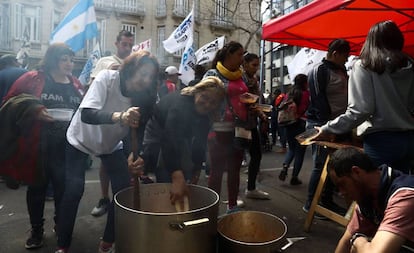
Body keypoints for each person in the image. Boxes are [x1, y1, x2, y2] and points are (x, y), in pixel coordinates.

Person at [55, 51, 159, 253]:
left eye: (150, 77)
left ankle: (107, 243)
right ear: (131, 68)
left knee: (122, 191)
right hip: (80, 138)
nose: (145, 80)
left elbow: (137, 131)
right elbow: (87, 114)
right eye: (142, 72)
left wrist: (134, 155)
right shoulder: (107, 78)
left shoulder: (144, 98)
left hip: (110, 144)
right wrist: (120, 116)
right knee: (74, 189)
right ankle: (62, 245)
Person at [2, 43, 84, 249]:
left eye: (71, 60)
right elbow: (11, 101)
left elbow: (84, 108)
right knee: (37, 189)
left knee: (62, 190)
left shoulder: (75, 83)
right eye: (64, 59)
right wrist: (34, 109)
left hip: (67, 147)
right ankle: (37, 229)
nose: (69, 63)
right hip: (38, 145)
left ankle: (60, 224)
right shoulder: (33, 78)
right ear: (53, 59)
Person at [316, 20, 414, 175]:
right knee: (399, 192)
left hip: (381, 141)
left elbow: (360, 110)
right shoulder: (409, 66)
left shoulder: (365, 66)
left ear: (371, 41)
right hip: (409, 139)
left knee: (375, 194)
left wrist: (327, 128)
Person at [139, 76, 225, 201]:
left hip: (182, 135)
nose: (207, 104)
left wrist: (196, 170)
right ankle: (164, 199)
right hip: (158, 130)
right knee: (166, 172)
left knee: (186, 169)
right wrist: (176, 176)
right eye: (205, 97)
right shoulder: (181, 107)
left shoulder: (207, 115)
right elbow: (169, 139)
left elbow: (200, 142)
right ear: (197, 91)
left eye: (213, 102)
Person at [327, 147, 414, 253]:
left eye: (342, 184)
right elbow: (345, 242)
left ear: (357, 172)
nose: (341, 192)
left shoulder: (405, 195)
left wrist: (358, 241)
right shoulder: (367, 197)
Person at [89, 30, 135, 218]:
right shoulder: (105, 62)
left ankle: (123, 200)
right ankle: (103, 197)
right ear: (116, 44)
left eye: (130, 45)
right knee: (106, 161)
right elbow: (92, 85)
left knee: (127, 160)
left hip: (128, 119)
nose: (127, 48)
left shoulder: (134, 63)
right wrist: (113, 71)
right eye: (124, 44)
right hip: (108, 119)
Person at [303, 38, 351, 216]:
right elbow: (318, 100)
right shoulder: (318, 70)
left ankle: (326, 200)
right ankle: (310, 204)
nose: (346, 61)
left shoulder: (342, 69)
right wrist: (327, 128)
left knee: (335, 165)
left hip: (339, 124)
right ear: (335, 54)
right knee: (320, 164)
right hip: (321, 125)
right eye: (345, 57)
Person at [204, 41, 253, 213]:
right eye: (239, 54)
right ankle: (211, 208)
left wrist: (251, 104)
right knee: (216, 171)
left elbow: (244, 96)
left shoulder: (241, 76)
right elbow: (203, 98)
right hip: (218, 130)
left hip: (239, 129)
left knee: (235, 170)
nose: (242, 58)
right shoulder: (212, 74)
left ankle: (232, 206)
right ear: (229, 54)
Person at [242, 52, 270, 199]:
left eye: (257, 65)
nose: (256, 68)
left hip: (251, 123)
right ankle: (233, 197)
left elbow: (255, 102)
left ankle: (251, 188)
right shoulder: (240, 78)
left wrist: (261, 114)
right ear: (245, 64)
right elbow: (243, 100)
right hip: (240, 124)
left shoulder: (254, 79)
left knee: (256, 155)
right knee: (236, 158)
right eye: (253, 65)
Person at [278, 74, 310, 185]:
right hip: (301, 123)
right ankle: (294, 177)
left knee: (291, 148)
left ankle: (285, 166)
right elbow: (305, 108)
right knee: (300, 152)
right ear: (305, 82)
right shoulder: (305, 94)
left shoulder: (289, 93)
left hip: (289, 123)